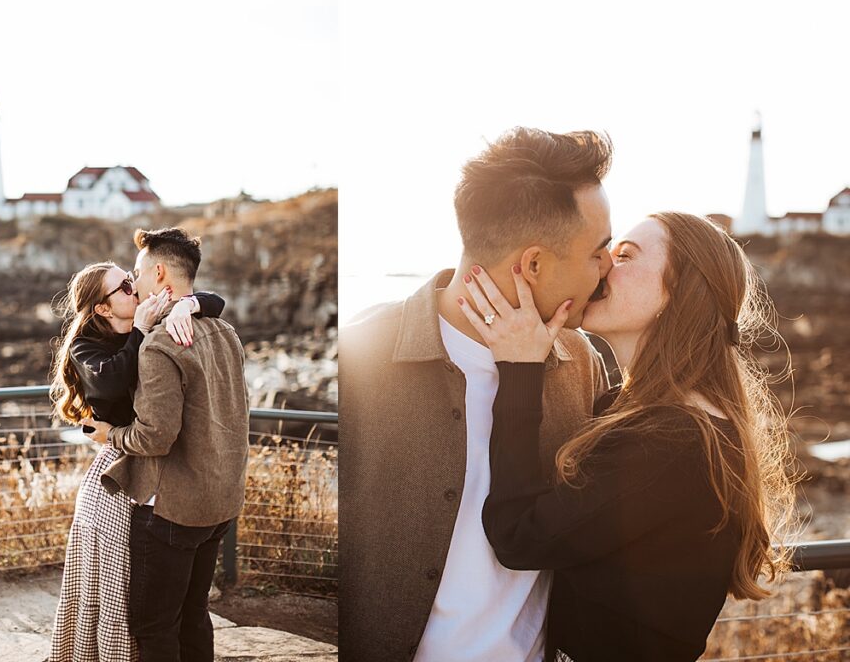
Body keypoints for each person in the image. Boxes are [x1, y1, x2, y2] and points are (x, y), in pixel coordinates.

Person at [467, 212, 797, 661]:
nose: (603, 265)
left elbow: (519, 537)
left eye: (625, 255)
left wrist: (520, 372)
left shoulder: (673, 442)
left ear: (679, 293)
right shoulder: (651, 415)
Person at [339, 128, 614, 662]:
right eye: (599, 251)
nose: (607, 269)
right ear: (533, 265)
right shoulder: (362, 357)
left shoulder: (581, 361)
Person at [84, 227, 249, 662]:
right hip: (220, 501)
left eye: (136, 275)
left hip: (173, 510)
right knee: (195, 614)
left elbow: (153, 437)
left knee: (155, 627)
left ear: (158, 272)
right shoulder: (226, 332)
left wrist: (108, 435)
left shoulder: (158, 345)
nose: (134, 285)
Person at [49, 257, 225, 662]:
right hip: (120, 471)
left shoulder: (152, 317)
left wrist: (186, 306)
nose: (134, 287)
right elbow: (112, 377)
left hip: (155, 466)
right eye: (123, 288)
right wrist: (142, 330)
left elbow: (216, 300)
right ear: (103, 309)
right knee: (118, 586)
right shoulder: (86, 346)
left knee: (169, 603)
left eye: (131, 279)